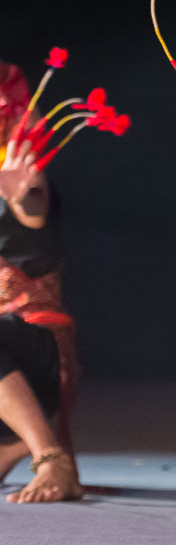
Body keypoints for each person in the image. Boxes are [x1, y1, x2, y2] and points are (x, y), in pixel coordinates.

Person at [0, 60, 83, 503]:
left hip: (34, 347)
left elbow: (31, 206)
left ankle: (50, 456)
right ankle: (11, 446)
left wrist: (21, 193)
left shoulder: (22, 176)